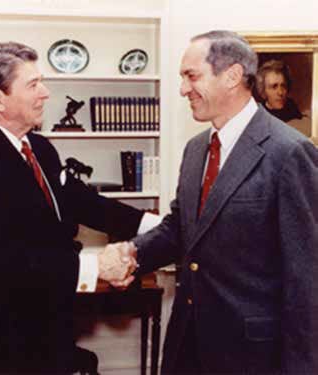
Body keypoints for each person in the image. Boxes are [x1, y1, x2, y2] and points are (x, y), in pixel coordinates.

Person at [0, 42, 159, 374]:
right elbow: (4, 261)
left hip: (53, 326)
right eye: (32, 84)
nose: (45, 93)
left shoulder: (40, 148)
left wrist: (155, 224)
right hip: (7, 343)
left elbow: (82, 202)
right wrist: (94, 268)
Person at [113, 30, 318, 374]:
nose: (182, 89)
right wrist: (134, 253)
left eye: (191, 76)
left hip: (253, 358)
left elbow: (307, 280)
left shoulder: (290, 153)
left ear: (233, 76)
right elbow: (182, 229)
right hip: (187, 346)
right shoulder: (196, 150)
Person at [256, 59, 311, 136]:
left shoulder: (291, 107)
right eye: (274, 87)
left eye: (283, 86)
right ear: (263, 90)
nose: (280, 92)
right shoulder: (259, 114)